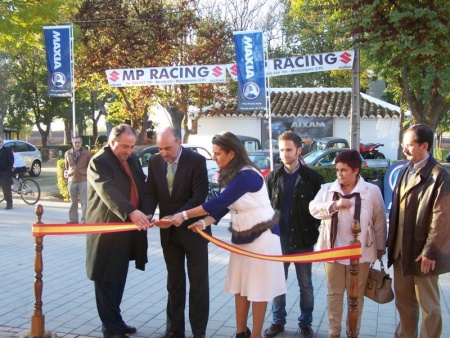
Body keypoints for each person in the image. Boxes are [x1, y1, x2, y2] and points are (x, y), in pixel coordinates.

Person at [169, 131, 286, 338]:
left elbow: (218, 203)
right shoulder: (230, 174)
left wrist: (183, 214)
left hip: (263, 238)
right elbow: (224, 207)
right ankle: (241, 332)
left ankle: (256, 335)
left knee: (259, 289)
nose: (214, 158)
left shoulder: (248, 175)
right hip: (241, 237)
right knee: (240, 286)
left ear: (231, 154)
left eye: (218, 154)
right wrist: (203, 222)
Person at [309, 150, 386, 338]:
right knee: (334, 294)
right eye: (337, 170)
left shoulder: (371, 191)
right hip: (333, 251)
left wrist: (380, 248)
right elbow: (313, 209)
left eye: (344, 170)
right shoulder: (328, 189)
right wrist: (334, 205)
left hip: (361, 254)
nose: (339, 174)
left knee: (357, 296)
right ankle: (333, 332)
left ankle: (353, 331)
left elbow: (379, 221)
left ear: (356, 170)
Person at [86, 124, 152, 338]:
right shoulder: (98, 162)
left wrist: (146, 211)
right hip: (107, 229)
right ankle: (111, 329)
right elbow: (108, 191)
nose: (129, 151)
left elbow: (141, 185)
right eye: (124, 146)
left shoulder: (131, 159)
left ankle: (116, 320)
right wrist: (132, 211)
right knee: (106, 279)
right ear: (112, 142)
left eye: (132, 146)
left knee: (119, 276)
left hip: (128, 229)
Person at [146, 127, 210, 338]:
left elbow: (199, 197)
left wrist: (178, 216)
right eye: (160, 148)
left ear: (179, 142)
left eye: (168, 148)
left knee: (198, 285)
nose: (164, 153)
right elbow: (151, 193)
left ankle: (198, 332)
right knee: (174, 283)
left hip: (194, 231)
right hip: (169, 234)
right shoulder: (155, 162)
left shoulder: (197, 161)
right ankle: (174, 330)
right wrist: (145, 215)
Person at [387, 124, 450, 338]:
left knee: (429, 309)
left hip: (423, 254)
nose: (404, 150)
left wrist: (430, 252)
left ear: (424, 146)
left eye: (409, 145)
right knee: (404, 305)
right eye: (403, 145)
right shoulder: (405, 169)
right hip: (400, 252)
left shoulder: (440, 175)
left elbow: (443, 218)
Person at [263, 131, 324, 338]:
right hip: (278, 241)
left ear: (299, 150)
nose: (284, 153)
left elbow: (320, 210)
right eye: (281, 149)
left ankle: (305, 323)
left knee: (305, 284)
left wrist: (312, 228)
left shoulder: (314, 179)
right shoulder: (272, 178)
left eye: (288, 149)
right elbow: (265, 208)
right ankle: (277, 321)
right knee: (277, 284)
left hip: (304, 240)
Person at [65, 136, 92, 223]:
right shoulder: (67, 153)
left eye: (78, 142)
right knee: (73, 202)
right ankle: (73, 220)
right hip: (72, 179)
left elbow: (90, 167)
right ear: (72, 143)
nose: (77, 144)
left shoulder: (87, 153)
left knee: (84, 201)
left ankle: (85, 219)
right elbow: (67, 166)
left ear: (81, 143)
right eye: (75, 142)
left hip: (83, 180)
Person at [0, 137, 14, 209]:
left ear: (2, 142)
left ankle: (9, 203)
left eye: (0, 141)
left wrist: (8, 172)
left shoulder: (7, 150)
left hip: (5, 172)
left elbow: (11, 161)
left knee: (6, 189)